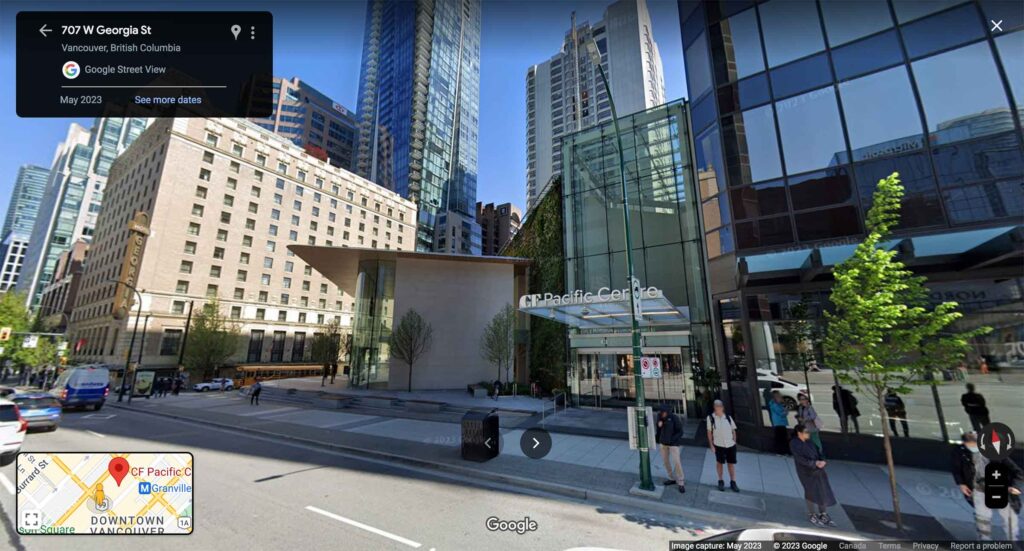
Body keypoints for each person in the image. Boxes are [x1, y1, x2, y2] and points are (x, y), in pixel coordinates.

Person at [951, 432, 1022, 540]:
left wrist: (1015, 487)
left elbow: (1017, 472)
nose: (973, 448)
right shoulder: (961, 452)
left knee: (1009, 516)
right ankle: (984, 539)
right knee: (982, 516)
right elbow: (957, 469)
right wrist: (961, 483)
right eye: (969, 446)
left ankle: (1012, 539)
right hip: (979, 488)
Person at [790, 423, 838, 528]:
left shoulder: (809, 442)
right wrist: (814, 463)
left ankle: (823, 513)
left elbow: (819, 452)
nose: (808, 434)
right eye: (806, 432)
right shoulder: (794, 443)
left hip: (818, 469)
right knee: (810, 491)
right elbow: (799, 459)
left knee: (822, 489)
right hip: (806, 471)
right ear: (799, 433)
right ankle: (812, 513)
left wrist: (822, 461)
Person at [706, 399, 739, 492]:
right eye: (716, 406)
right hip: (719, 444)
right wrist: (711, 445)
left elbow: (733, 430)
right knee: (719, 463)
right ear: (714, 407)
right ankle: (720, 480)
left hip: (730, 444)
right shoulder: (711, 418)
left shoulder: (728, 417)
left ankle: (733, 481)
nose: (718, 408)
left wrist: (734, 441)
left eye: (719, 406)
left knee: (731, 463)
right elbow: (709, 432)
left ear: (722, 407)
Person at [656, 404, 685, 493]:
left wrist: (672, 440)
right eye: (661, 412)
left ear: (667, 412)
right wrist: (658, 425)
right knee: (666, 462)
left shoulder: (674, 418)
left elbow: (680, 431)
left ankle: (681, 482)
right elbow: (658, 430)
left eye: (664, 412)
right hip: (663, 443)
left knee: (676, 462)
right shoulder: (659, 417)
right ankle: (671, 478)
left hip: (673, 444)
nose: (662, 414)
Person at [768, 391, 789, 455]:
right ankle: (780, 451)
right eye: (779, 397)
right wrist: (786, 411)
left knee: (781, 437)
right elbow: (781, 413)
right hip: (779, 423)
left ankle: (782, 451)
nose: (781, 398)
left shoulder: (777, 404)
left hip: (780, 423)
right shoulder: (774, 405)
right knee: (781, 438)